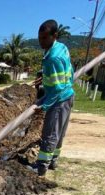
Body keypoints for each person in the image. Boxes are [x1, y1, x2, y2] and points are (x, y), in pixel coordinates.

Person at [26, 19, 75, 176]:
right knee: (59, 133)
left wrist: (44, 105)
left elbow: (56, 89)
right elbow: (69, 71)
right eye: (40, 38)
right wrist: (45, 78)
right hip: (68, 95)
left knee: (50, 133)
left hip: (59, 100)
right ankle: (53, 161)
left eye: (45, 38)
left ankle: (41, 168)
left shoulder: (52, 58)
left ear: (55, 35)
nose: (41, 42)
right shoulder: (62, 48)